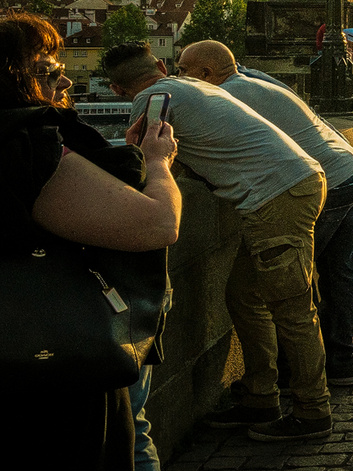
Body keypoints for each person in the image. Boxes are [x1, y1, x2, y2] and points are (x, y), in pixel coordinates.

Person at [3, 17, 185, 471]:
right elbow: (157, 225)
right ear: (18, 75)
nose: (64, 80)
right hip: (55, 368)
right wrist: (157, 165)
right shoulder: (24, 143)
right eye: (51, 67)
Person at [105, 41, 334, 442]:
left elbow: (137, 163)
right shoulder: (195, 87)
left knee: (293, 309)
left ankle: (313, 411)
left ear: (116, 89)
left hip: (275, 197)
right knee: (243, 296)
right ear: (160, 64)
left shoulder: (152, 100)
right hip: (291, 186)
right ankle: (261, 396)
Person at [176, 40, 353, 386]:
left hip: (326, 179)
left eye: (182, 71)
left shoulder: (224, 98)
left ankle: (292, 374)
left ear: (206, 72)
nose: (179, 78)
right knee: (337, 275)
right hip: (351, 170)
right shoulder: (255, 80)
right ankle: (342, 363)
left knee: (287, 282)